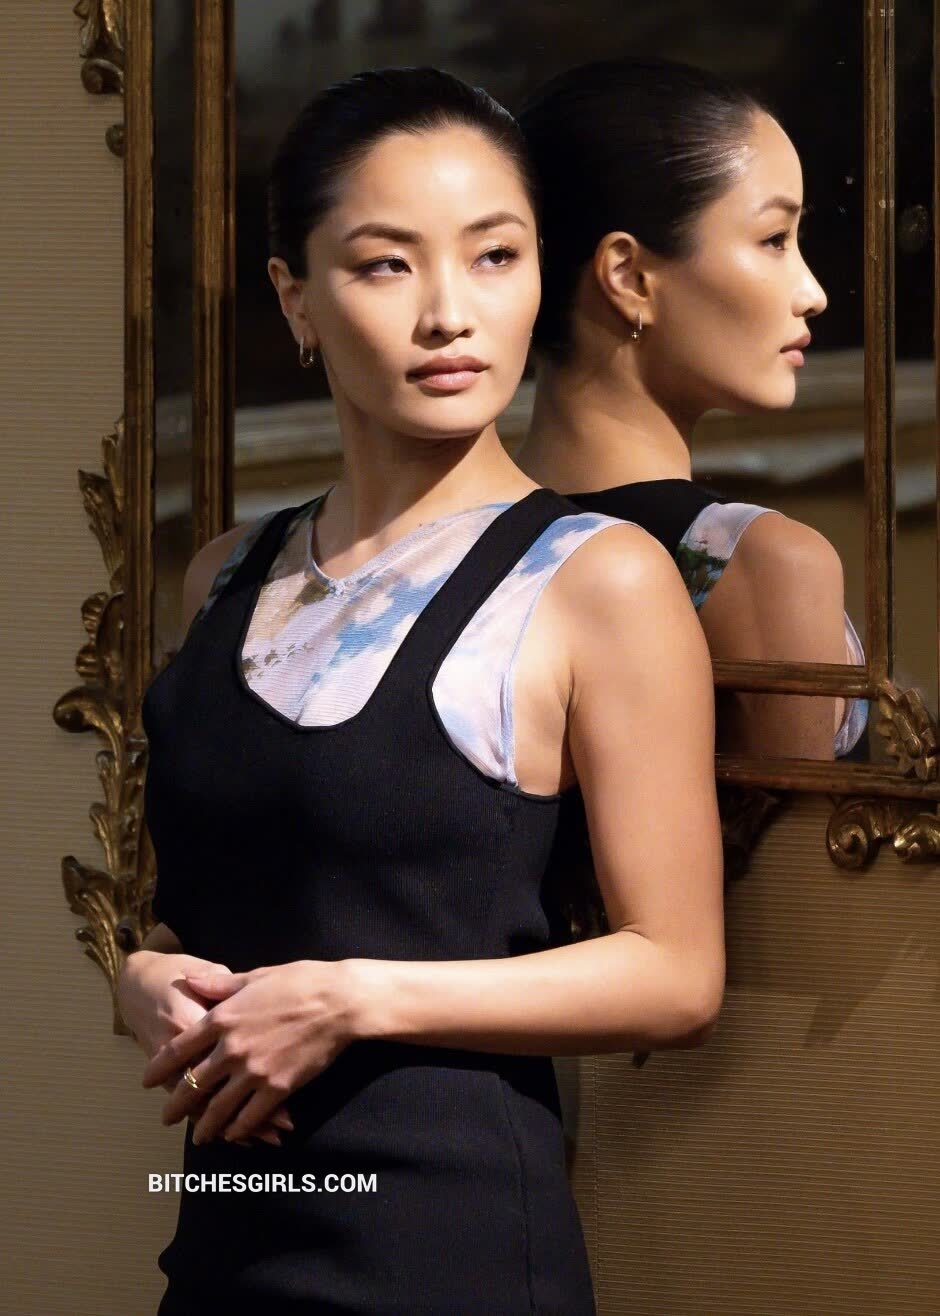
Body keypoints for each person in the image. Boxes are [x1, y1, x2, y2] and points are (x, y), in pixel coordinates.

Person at [116, 67, 725, 1314]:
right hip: (224, 1248)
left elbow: (675, 974)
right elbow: (240, 895)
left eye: (495, 256)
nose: (450, 312)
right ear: (295, 295)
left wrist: (355, 997)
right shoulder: (226, 574)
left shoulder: (596, 579)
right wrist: (142, 975)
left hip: (449, 1256)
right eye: (386, 264)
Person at [516, 56, 869, 761]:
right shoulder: (765, 566)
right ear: (629, 276)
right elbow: (808, 839)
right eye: (774, 239)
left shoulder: (452, 539)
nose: (813, 292)